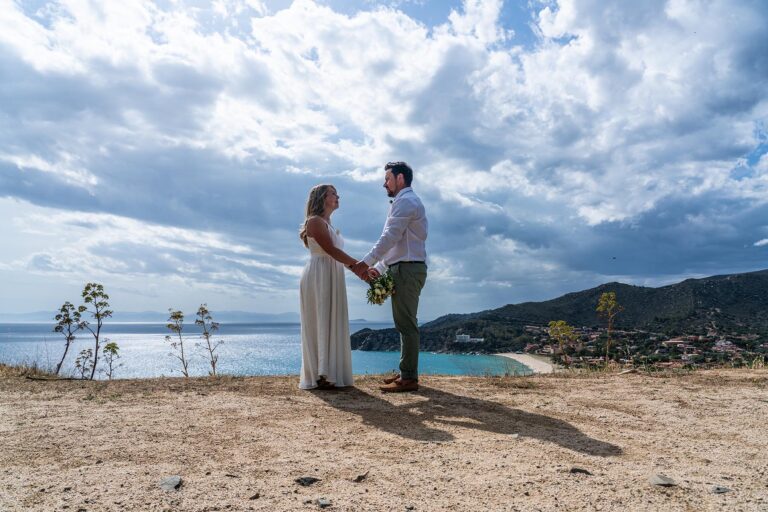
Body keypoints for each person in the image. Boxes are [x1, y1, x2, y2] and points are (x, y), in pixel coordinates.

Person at [351, 162, 428, 393]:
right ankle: (406, 372)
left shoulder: (406, 201)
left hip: (407, 270)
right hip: (403, 267)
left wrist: (366, 262)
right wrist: (381, 267)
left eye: (387, 178)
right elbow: (399, 244)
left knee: (407, 324)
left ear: (400, 178)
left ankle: (409, 378)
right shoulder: (405, 202)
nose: (384, 183)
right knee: (403, 323)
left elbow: (391, 236)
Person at [298, 184, 358, 390]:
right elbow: (330, 250)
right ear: (322, 197)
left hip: (332, 272)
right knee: (321, 318)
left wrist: (359, 270)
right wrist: (358, 266)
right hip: (319, 274)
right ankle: (321, 374)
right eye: (333, 193)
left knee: (331, 318)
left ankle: (329, 371)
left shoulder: (328, 223)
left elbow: (336, 254)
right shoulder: (314, 221)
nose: (338, 196)